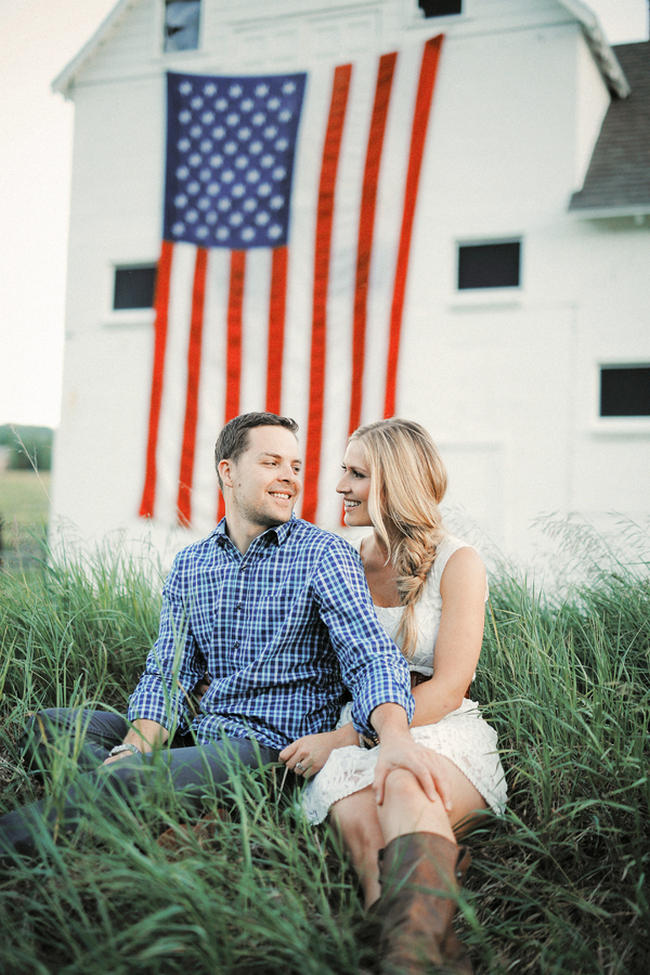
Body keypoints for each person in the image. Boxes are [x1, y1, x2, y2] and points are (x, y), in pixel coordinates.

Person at [0, 412, 449, 863]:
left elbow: (370, 656)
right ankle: (162, 816)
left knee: (126, 777)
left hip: (270, 749)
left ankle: (40, 835)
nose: (289, 478)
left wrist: (394, 739)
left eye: (295, 467)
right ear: (228, 471)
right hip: (200, 734)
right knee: (48, 725)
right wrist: (133, 746)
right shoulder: (192, 564)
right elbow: (168, 671)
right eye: (272, 463)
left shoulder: (324, 554)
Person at [279, 418, 507, 974]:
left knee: (403, 780)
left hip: (435, 724)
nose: (339, 487)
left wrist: (348, 736)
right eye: (344, 471)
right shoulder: (342, 561)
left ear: (393, 483)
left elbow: (451, 687)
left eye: (355, 474)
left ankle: (406, 958)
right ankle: (419, 952)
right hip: (356, 725)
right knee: (361, 822)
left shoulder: (458, 562)